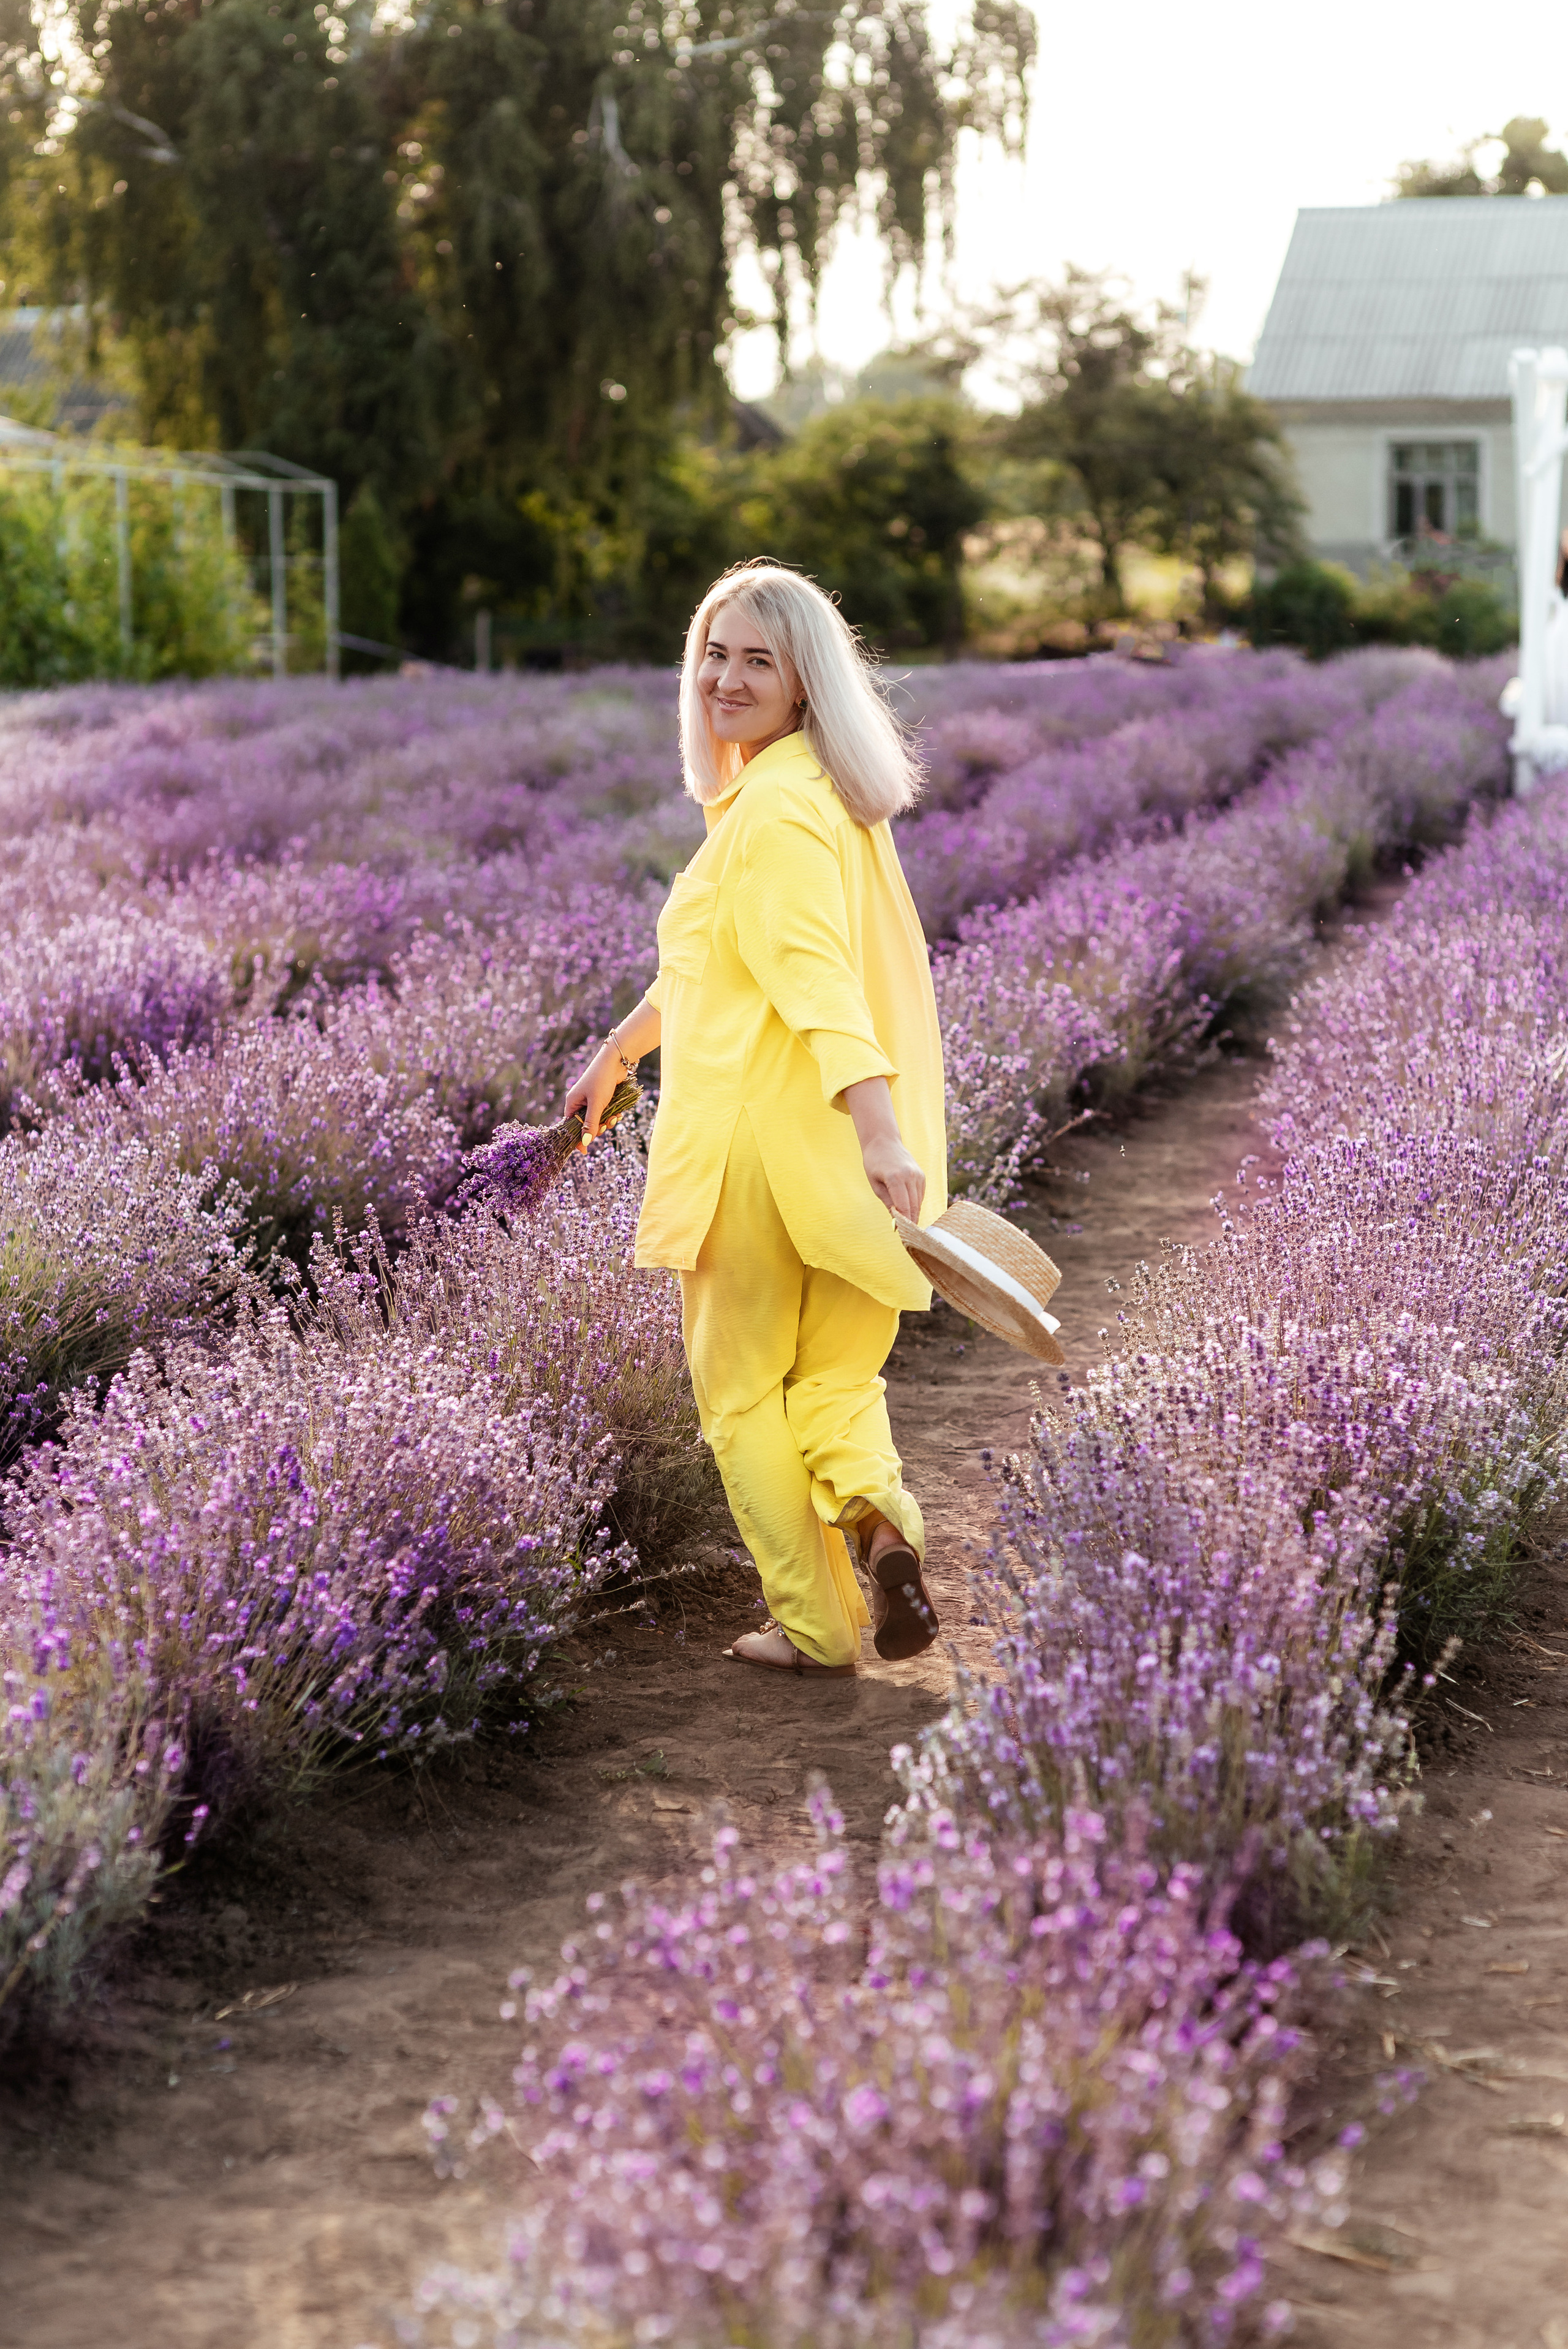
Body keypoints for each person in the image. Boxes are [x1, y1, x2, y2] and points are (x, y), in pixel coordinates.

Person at [565, 560, 946, 1676]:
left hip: (758, 1151)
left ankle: (818, 1627)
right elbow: (715, 966)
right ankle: (880, 1532)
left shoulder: (772, 813)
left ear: (803, 682)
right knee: (835, 1382)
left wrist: (874, 1125)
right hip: (845, 1168)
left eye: (756, 660)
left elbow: (816, 979)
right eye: (714, 653)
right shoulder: (828, 795)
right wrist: (619, 1051)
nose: (726, 678)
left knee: (738, 1399)